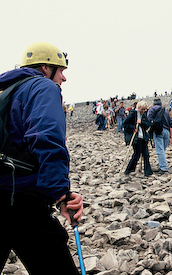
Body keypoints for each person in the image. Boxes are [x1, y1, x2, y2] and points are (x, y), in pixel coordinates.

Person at [0, 42, 83, 274]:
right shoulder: (42, 86)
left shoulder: (5, 90)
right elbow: (46, 137)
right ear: (45, 68)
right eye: (61, 70)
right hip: (20, 198)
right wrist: (60, 192)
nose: (63, 78)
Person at [123, 101, 153, 176]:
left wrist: (141, 123)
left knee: (146, 155)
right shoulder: (133, 113)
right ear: (138, 107)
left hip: (143, 137)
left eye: (145, 109)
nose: (143, 111)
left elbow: (148, 125)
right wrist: (133, 128)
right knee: (137, 154)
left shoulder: (143, 115)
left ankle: (148, 172)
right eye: (142, 109)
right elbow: (125, 124)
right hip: (136, 138)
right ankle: (129, 170)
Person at [147, 98, 172, 174]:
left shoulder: (152, 109)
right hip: (167, 132)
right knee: (162, 150)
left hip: (158, 131)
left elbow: (149, 120)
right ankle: (161, 164)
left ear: (153, 104)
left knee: (160, 150)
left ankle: (164, 168)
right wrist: (170, 137)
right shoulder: (166, 111)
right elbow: (171, 124)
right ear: (161, 103)